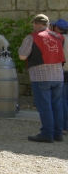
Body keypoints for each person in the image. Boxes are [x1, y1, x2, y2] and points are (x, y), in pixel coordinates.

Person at [18, 14, 65, 143]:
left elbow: (22, 56)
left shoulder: (32, 37)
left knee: (45, 106)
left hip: (41, 76)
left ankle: (47, 134)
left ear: (36, 24)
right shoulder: (59, 37)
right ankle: (58, 134)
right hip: (58, 76)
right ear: (48, 24)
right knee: (57, 105)